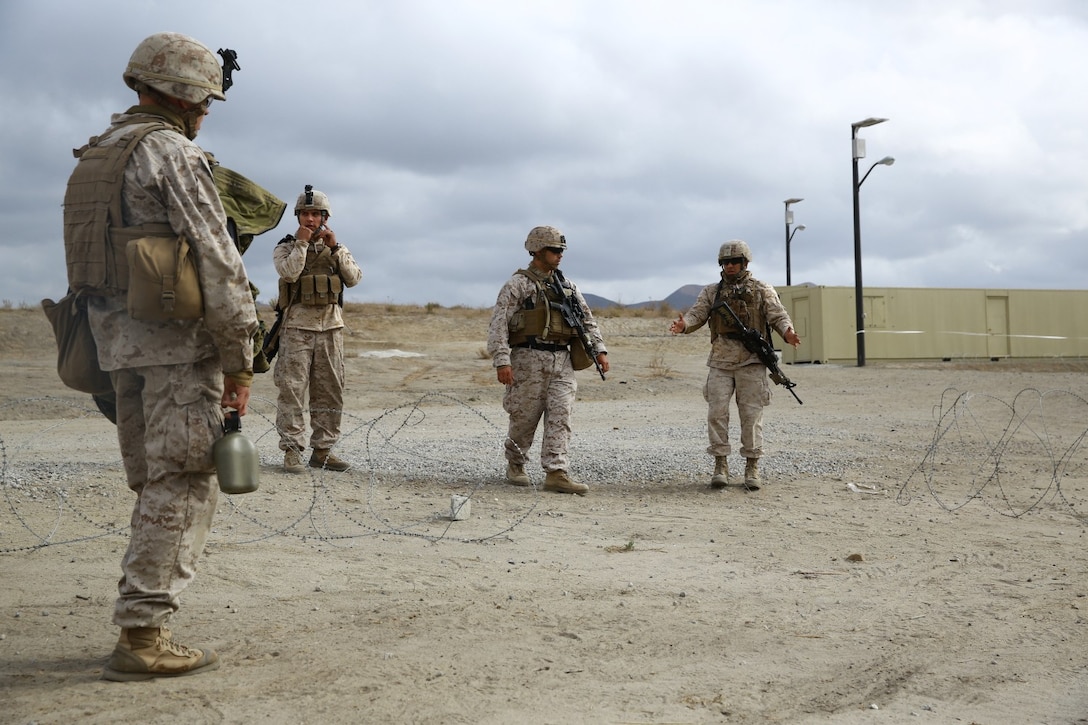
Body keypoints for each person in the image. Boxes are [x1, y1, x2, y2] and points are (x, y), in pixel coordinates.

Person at [62, 32, 258, 680]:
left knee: (155, 480)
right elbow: (219, 260)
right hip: (173, 347)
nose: (205, 112)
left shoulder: (96, 156)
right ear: (180, 93)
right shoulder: (170, 153)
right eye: (204, 99)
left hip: (116, 345)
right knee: (182, 482)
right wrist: (240, 361)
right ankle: (142, 634)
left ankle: (141, 619)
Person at [487, 225, 610, 495]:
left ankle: (556, 472)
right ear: (538, 251)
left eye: (561, 251)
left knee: (560, 415)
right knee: (524, 417)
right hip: (527, 359)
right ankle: (516, 463)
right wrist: (502, 361)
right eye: (555, 250)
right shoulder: (518, 284)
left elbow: (587, 319)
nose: (559, 255)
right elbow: (498, 325)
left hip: (561, 358)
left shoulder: (567, 287)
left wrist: (599, 350)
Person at [669, 240, 800, 491]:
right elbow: (697, 314)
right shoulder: (712, 291)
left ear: (745, 263)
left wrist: (788, 332)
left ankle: (752, 466)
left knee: (751, 416)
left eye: (735, 262)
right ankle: (721, 465)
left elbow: (778, 315)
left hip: (751, 361)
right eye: (726, 262)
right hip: (720, 361)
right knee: (717, 413)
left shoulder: (762, 289)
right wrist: (683, 325)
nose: (730, 266)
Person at [272, 186, 362, 473]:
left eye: (315, 214)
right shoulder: (286, 247)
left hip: (331, 329)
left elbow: (354, 278)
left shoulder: (337, 249)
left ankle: (323, 450)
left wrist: (335, 248)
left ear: (325, 216)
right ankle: (292, 450)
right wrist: (301, 244)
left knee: (330, 391)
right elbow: (289, 272)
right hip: (297, 328)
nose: (310, 220)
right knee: (292, 390)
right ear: (298, 216)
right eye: (305, 214)